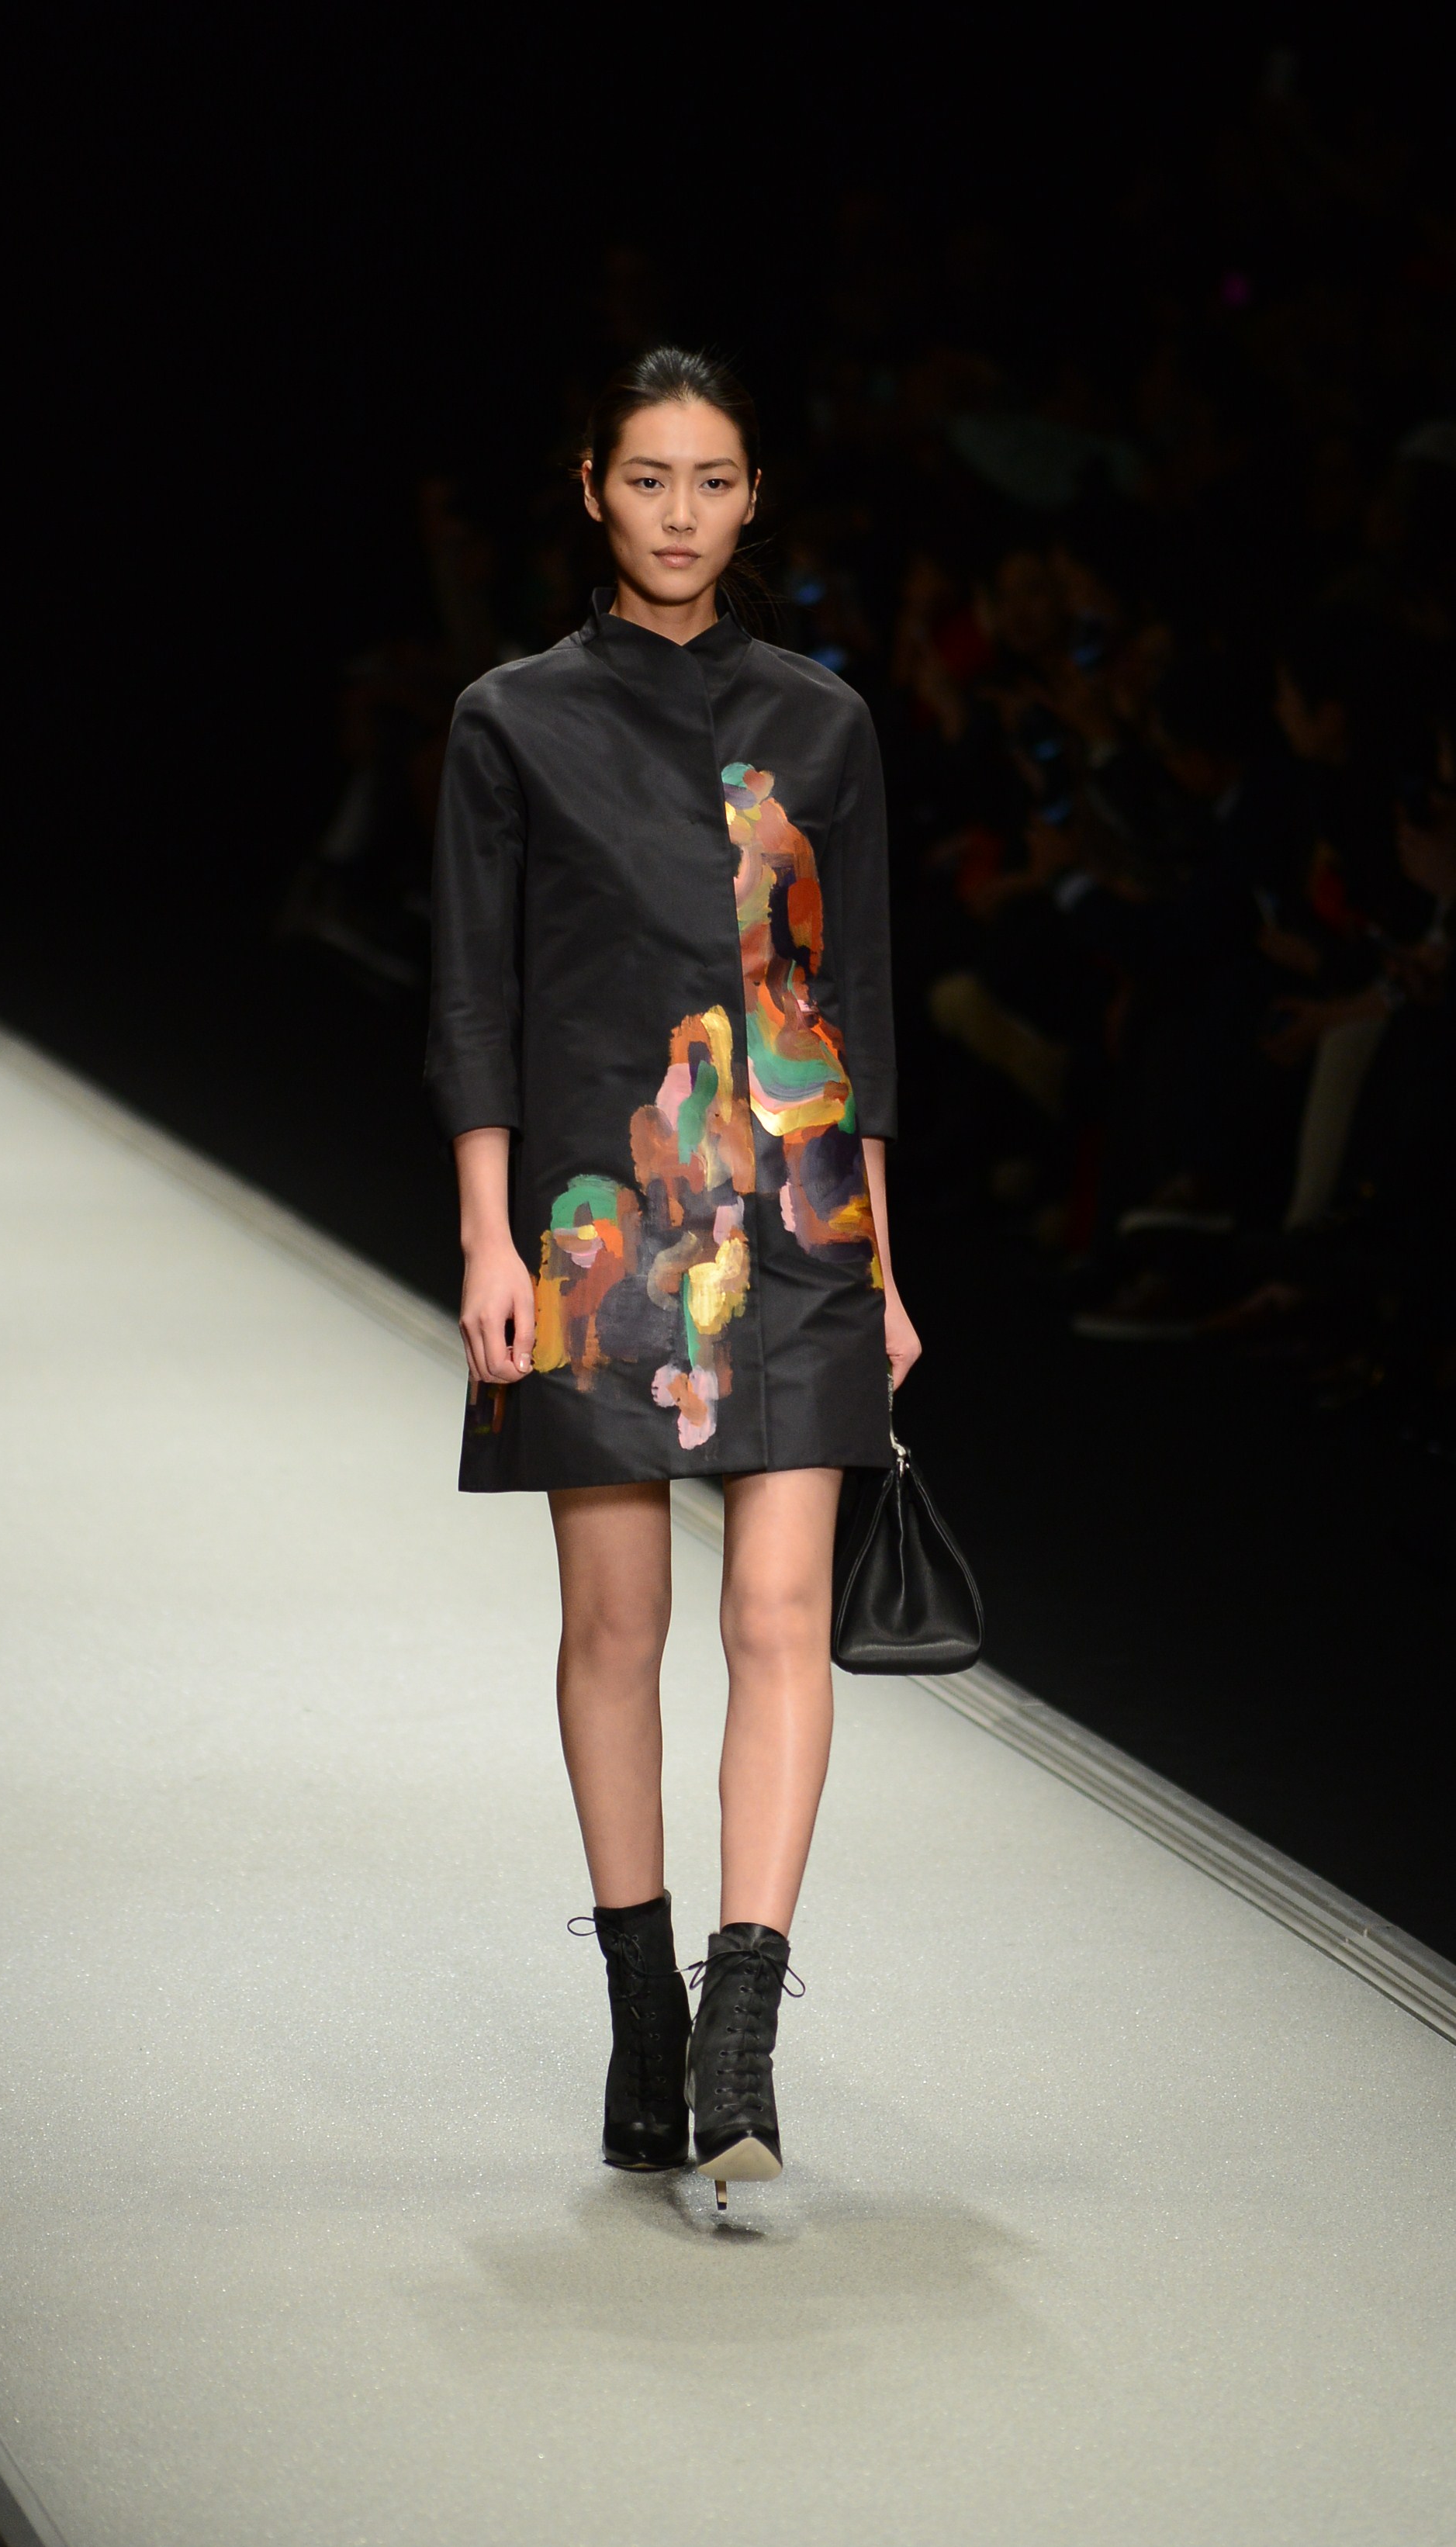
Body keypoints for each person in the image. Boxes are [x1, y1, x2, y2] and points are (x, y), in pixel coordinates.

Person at [425, 348, 920, 2206]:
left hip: (798, 1208)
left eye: (713, 481)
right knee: (617, 1623)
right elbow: (474, 994)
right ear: (591, 488)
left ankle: (740, 2032)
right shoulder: (509, 719)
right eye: (649, 479)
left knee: (779, 1615)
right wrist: (484, 1236)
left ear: (754, 496)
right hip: (599, 1205)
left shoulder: (826, 723)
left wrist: (885, 1263)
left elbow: (849, 1005)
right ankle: (644, 2008)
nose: (682, 514)